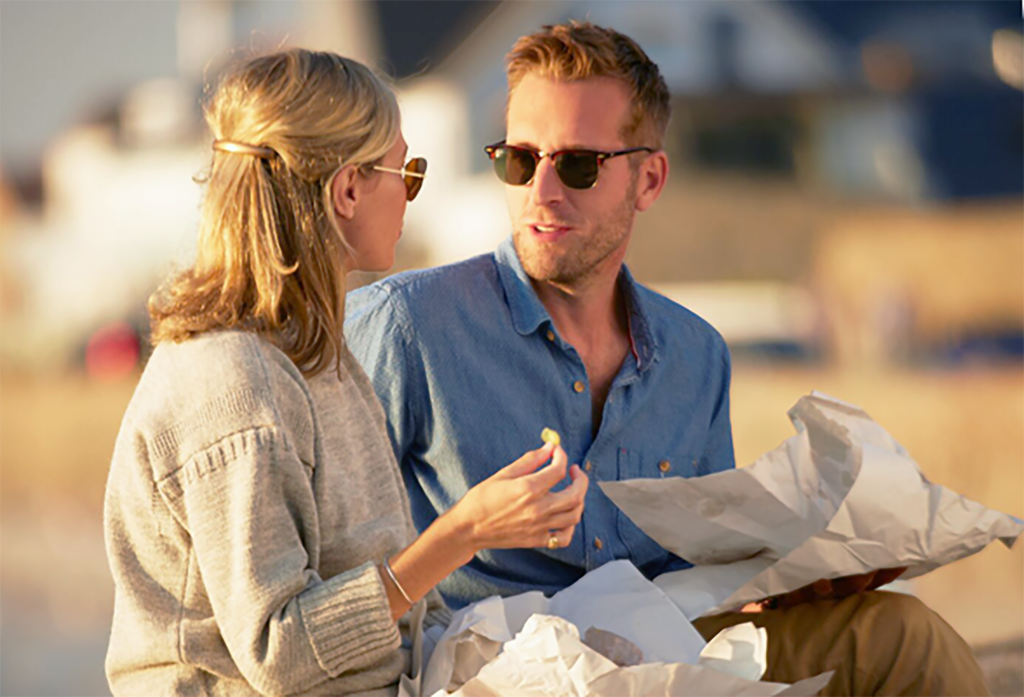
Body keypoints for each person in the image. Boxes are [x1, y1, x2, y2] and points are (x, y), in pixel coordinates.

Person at [345, 22, 990, 695]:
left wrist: (788, 582)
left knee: (899, 635)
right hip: (494, 672)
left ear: (648, 179)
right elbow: (329, 584)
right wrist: (465, 533)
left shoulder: (696, 355)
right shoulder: (405, 325)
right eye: (518, 158)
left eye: (578, 164)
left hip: (661, 654)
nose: (540, 191)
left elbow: (696, 579)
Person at [103, 48, 588, 697]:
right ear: (349, 188)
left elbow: (390, 609)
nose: (412, 195)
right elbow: (282, 653)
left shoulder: (316, 358)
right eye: (407, 172)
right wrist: (466, 531)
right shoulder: (230, 380)